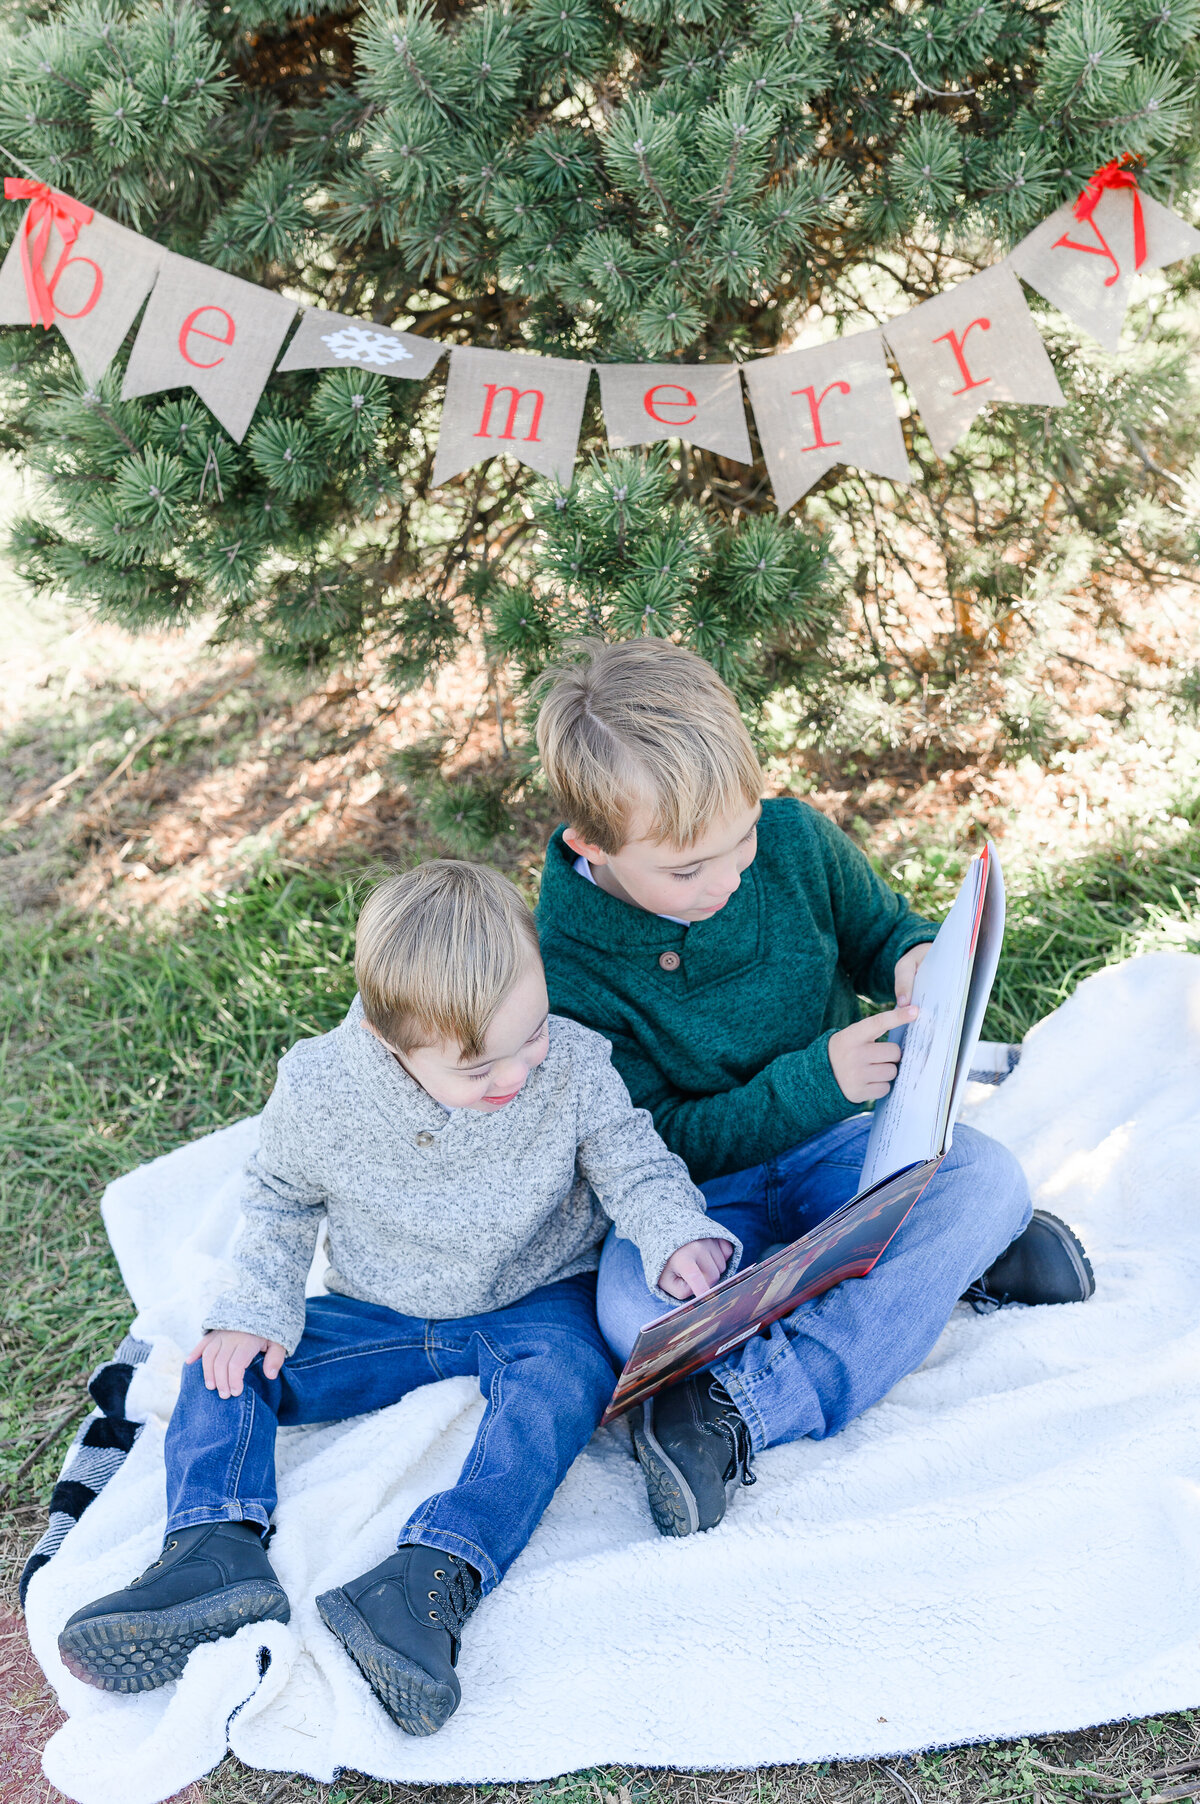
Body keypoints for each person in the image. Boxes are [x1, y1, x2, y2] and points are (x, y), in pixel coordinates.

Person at [58, 861, 730, 1734]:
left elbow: (630, 1159)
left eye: (529, 1036)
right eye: (479, 1065)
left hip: (533, 1301)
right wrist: (256, 1311)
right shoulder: (323, 1088)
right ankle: (212, 1549)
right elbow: (279, 1195)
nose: (518, 1072)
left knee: (566, 1387)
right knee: (221, 1364)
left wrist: (675, 1229)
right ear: (389, 1044)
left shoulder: (570, 1063)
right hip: (380, 1309)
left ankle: (426, 1581)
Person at [534, 638, 1094, 1540]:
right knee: (633, 1317)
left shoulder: (793, 843)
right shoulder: (564, 962)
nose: (726, 880)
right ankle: (945, 1267)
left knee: (988, 1180)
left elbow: (880, 931)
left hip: (838, 1145)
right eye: (686, 872)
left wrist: (916, 961)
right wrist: (816, 1080)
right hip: (694, 1194)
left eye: (741, 842)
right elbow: (652, 1138)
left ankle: (745, 1408)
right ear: (590, 845)